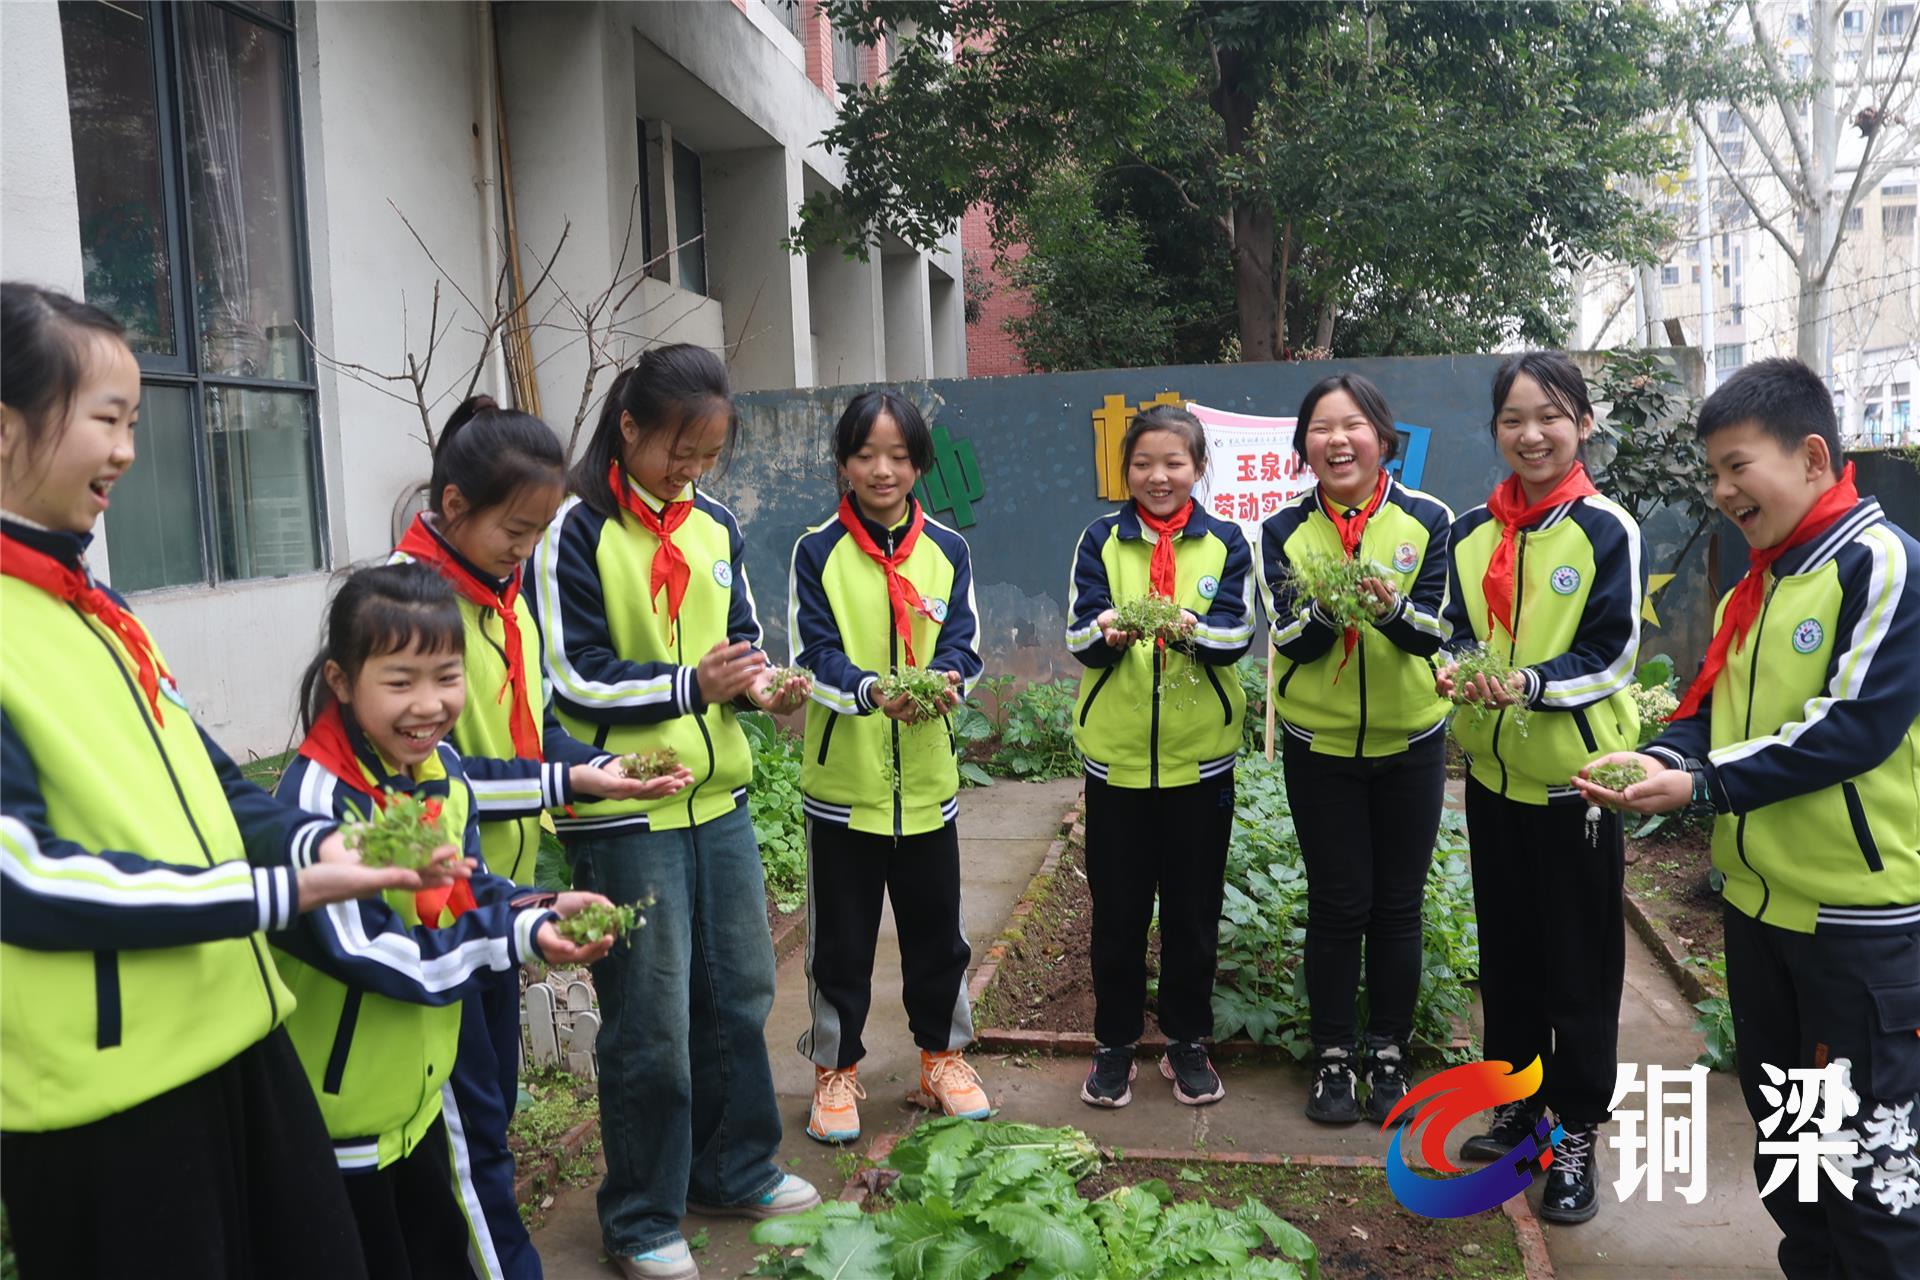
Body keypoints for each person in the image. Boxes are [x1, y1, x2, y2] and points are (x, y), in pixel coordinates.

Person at [0, 282, 426, 1279]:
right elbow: (22, 877)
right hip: (108, 1098)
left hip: (237, 1032)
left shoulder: (95, 605)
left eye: (135, 421)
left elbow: (216, 786)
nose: (128, 451)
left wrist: (322, 843)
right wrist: (283, 891)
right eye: (107, 419)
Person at [1577, 358, 1920, 1278]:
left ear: (1813, 457)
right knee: (1795, 1161)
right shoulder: (1754, 590)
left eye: (1738, 467)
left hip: (1860, 926)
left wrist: (1704, 785)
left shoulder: (1881, 566)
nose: (1723, 491)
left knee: (1878, 1181)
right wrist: (1659, 757)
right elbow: (1704, 713)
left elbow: (1851, 730)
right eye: (1713, 474)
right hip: (1763, 916)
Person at [528, 344, 818, 1280]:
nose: (690, 469)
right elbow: (573, 674)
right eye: (676, 451)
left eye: (707, 454)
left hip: (717, 796)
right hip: (621, 807)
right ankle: (643, 1214)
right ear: (629, 427)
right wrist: (694, 684)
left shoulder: (716, 525)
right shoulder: (574, 529)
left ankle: (733, 1169)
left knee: (740, 993)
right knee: (649, 1019)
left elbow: (742, 641)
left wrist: (765, 685)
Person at [391, 396, 690, 1279]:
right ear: (453, 510)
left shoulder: (499, 600)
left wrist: (595, 764)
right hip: (439, 903)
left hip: (497, 897)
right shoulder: (409, 609)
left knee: (492, 1112)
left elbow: (522, 740)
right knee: (469, 1130)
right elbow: (428, 779)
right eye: (514, 530)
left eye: (537, 529)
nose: (528, 549)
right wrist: (570, 779)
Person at [274, 562, 620, 1280]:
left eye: (447, 678)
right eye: (400, 682)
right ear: (341, 681)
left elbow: (469, 890)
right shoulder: (316, 798)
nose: (428, 705)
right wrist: (517, 937)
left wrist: (539, 906)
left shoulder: (439, 769)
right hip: (337, 1129)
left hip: (416, 1106)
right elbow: (371, 949)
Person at [1437, 350, 1646, 1224]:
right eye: (1514, 419)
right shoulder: (1471, 535)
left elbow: (1613, 653)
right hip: (1492, 782)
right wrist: (1453, 670)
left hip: (1578, 791)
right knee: (1510, 961)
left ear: (1583, 425)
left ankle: (1577, 1134)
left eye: (1550, 416)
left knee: (1580, 972)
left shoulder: (1604, 528)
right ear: (1496, 431)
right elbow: (1450, 632)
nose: (1532, 434)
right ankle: (1520, 1111)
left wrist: (1526, 684)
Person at [787, 389, 989, 1145]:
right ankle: (835, 1071)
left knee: (939, 936)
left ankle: (943, 1060)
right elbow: (815, 654)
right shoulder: (817, 551)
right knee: (839, 944)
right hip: (845, 790)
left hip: (929, 787)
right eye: (867, 454)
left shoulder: (949, 549)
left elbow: (966, 646)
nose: (883, 470)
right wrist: (873, 692)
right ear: (843, 462)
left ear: (918, 465)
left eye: (899, 456)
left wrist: (947, 684)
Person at [1258, 374, 1453, 1125]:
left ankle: (1390, 1057)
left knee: (1399, 907)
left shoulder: (1429, 520)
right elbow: (1289, 641)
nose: (1337, 440)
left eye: (1353, 425)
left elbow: (1436, 630)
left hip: (1412, 741)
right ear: (1304, 446)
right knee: (1339, 907)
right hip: (1322, 746)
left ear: (1382, 436)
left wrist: (1389, 606)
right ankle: (1333, 1058)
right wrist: (1325, 609)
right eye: (1320, 428)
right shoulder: (1284, 529)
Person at [1065, 405, 1254, 1110]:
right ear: (1127, 472)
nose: (1159, 475)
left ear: (1199, 468)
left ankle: (1186, 1041)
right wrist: (1110, 632)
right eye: (1143, 463)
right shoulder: (1100, 541)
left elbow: (1238, 635)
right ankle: (1114, 1044)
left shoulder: (1226, 542)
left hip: (1199, 762)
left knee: (1192, 912)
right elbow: (1078, 633)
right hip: (1115, 763)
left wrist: (1194, 630)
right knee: (1115, 912)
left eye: (1175, 462)